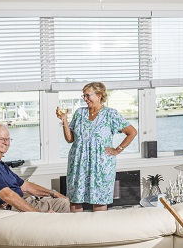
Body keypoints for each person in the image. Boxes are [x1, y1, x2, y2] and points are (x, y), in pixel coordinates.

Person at [57, 82, 138, 212]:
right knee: (75, 200)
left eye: (88, 95)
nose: (85, 99)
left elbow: (132, 132)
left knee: (99, 201)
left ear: (99, 95)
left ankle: (99, 226)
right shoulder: (79, 113)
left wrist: (118, 149)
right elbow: (70, 139)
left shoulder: (111, 114)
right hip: (78, 162)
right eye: (84, 96)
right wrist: (64, 121)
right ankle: (76, 226)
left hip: (101, 164)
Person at [0, 123, 70, 212]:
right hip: (9, 208)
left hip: (19, 202)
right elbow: (7, 195)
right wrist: (38, 214)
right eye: (2, 139)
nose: (6, 143)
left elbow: (25, 186)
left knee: (63, 202)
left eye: (8, 139)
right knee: (61, 206)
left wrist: (53, 193)